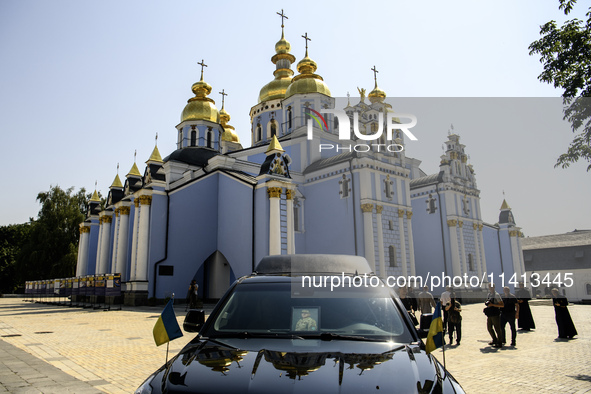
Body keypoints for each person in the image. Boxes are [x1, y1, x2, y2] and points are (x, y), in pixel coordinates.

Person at [484, 283, 504, 348]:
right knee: (489, 327)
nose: (490, 288)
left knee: (497, 328)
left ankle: (500, 342)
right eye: (489, 286)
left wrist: (493, 305)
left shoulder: (497, 295)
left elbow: (502, 305)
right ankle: (494, 339)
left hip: (495, 313)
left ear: (494, 287)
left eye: (491, 287)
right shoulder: (489, 294)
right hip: (490, 313)